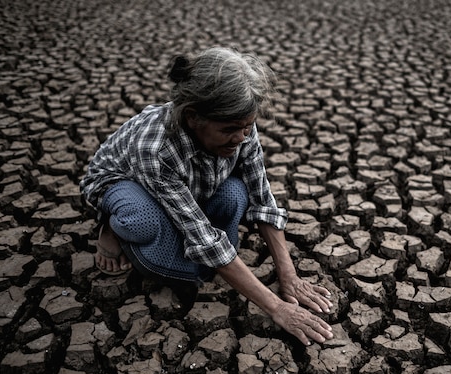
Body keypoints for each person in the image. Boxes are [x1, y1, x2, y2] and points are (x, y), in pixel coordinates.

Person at [80, 46, 333, 346]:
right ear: (193, 117)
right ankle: (110, 226)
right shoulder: (157, 148)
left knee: (236, 195)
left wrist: (288, 275)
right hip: (125, 184)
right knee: (159, 244)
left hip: (186, 189)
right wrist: (277, 308)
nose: (241, 138)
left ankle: (175, 229)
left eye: (247, 127)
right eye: (229, 129)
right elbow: (205, 241)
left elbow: (262, 198)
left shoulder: (240, 126)